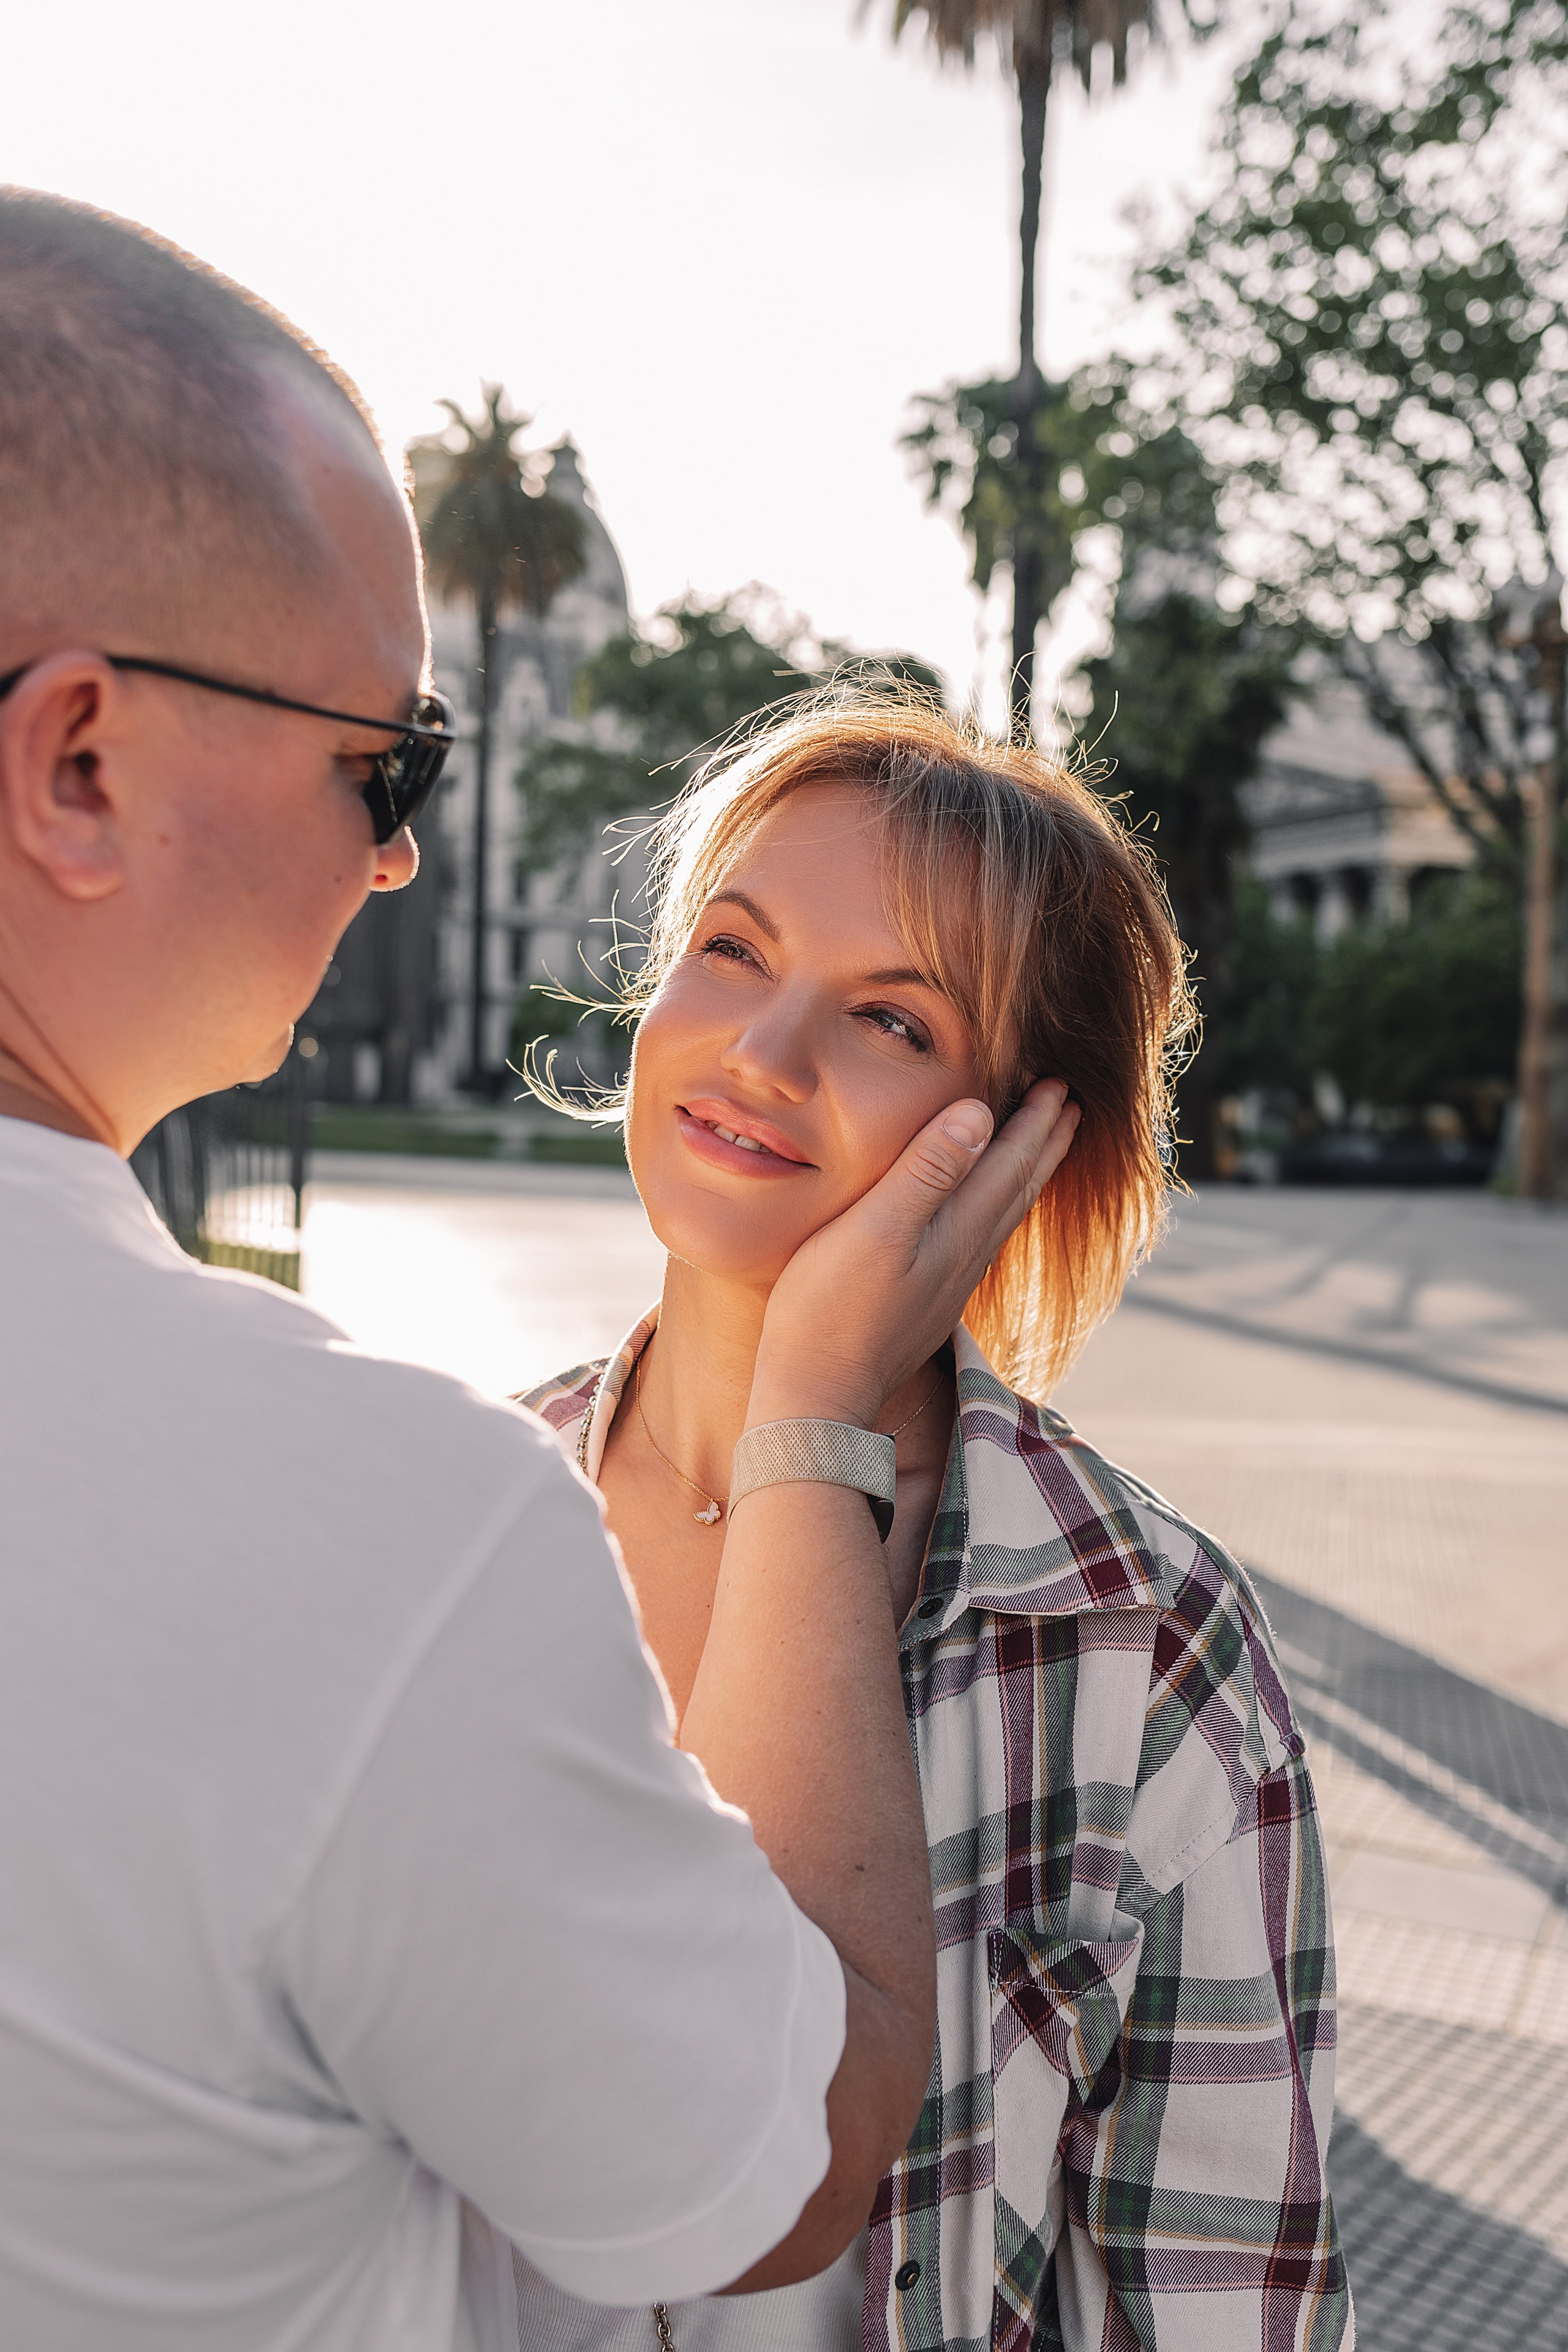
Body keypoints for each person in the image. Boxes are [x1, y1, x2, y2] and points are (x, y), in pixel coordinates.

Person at [0, 189, 1082, 2351]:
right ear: (83, 760)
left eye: (893, 1014)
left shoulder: (1138, 1646)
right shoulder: (387, 1527)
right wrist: (809, 1438)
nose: (399, 848)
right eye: (379, 758)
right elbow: (793, 2159)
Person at [503, 695, 1352, 2352]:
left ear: (1022, 1145)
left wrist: (810, 1409)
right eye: (732, 951)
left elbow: (1227, 2304)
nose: (761, 1051)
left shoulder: (1143, 1647)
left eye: (893, 1022)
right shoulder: (463, 1514)